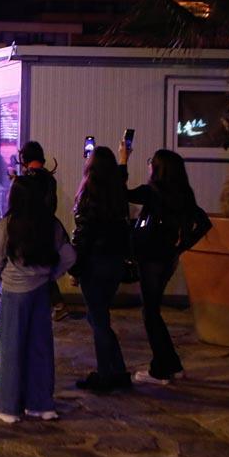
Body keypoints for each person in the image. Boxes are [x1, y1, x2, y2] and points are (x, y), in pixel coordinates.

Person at [0, 174, 76, 424]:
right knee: (40, 346)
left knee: (10, 347)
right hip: (41, 290)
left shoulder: (6, 225)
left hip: (14, 292)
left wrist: (2, 277)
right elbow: (69, 256)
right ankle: (41, 404)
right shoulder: (51, 224)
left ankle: (6, 406)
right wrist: (50, 275)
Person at [119, 145, 211, 385]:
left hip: (150, 260)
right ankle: (173, 365)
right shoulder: (182, 195)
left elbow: (121, 193)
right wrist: (181, 247)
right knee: (153, 312)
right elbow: (204, 223)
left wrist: (123, 159)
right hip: (167, 260)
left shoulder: (152, 192)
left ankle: (160, 370)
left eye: (152, 162)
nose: (149, 165)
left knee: (150, 314)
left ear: (159, 169)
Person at [69, 146, 132, 393]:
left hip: (94, 263)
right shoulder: (118, 193)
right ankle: (118, 371)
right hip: (114, 262)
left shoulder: (89, 194)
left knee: (98, 320)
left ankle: (106, 375)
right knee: (100, 317)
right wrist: (124, 159)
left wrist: (75, 269)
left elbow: (83, 235)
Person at [17, 141, 66, 320]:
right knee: (44, 266)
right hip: (47, 227)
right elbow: (51, 204)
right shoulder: (49, 178)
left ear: (24, 158)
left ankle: (54, 304)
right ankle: (57, 304)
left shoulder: (27, 179)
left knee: (34, 267)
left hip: (30, 229)